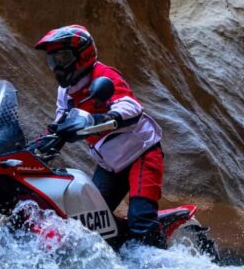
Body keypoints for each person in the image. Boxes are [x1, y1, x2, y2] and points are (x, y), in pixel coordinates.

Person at [34, 25, 167, 248]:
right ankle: (120, 251)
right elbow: (60, 119)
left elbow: (131, 106)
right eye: (52, 60)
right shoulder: (66, 91)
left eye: (62, 57)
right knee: (89, 219)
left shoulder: (104, 76)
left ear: (82, 55)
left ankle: (157, 261)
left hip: (140, 153)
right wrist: (40, 143)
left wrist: (102, 118)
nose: (57, 66)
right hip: (110, 164)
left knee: (141, 218)